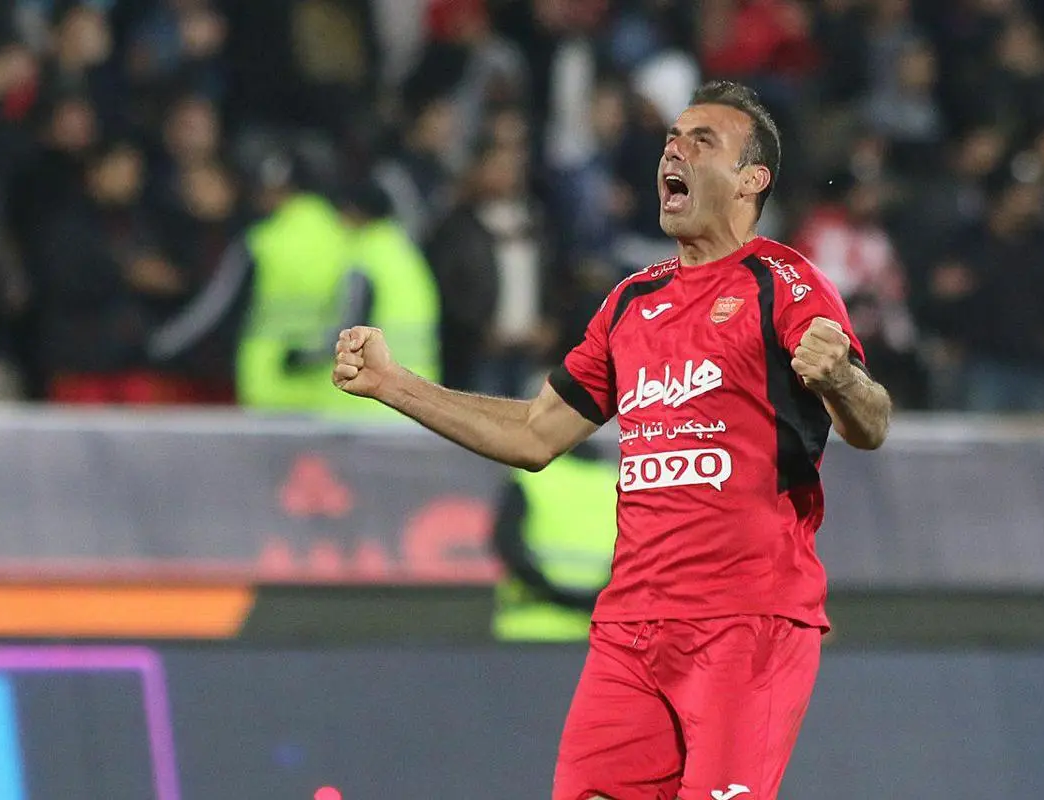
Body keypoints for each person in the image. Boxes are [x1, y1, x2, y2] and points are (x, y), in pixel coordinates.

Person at [331, 80, 892, 800]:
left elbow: (871, 424)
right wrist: (393, 384)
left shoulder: (783, 282)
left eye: (701, 142)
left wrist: (841, 378)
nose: (674, 151)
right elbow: (535, 434)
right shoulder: (632, 302)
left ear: (752, 180)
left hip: (745, 622)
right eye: (671, 139)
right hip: (631, 629)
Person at [491, 440, 618, 642]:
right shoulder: (616, 483)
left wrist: (552, 594)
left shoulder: (532, 476)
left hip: (528, 626)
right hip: (594, 632)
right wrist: (590, 600)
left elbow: (506, 543)